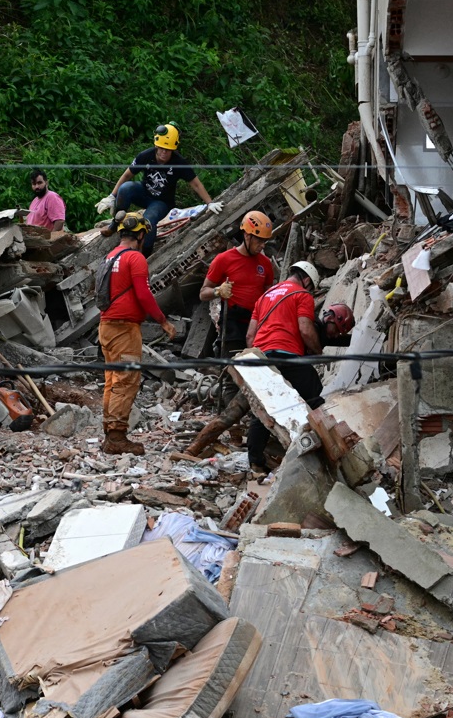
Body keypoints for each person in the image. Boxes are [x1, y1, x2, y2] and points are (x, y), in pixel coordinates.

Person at [243, 262, 356, 471]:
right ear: (306, 280)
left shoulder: (264, 297)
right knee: (316, 396)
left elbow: (250, 335)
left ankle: (255, 462)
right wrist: (317, 352)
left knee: (266, 409)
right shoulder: (302, 295)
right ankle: (334, 451)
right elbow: (305, 329)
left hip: (261, 356)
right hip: (287, 354)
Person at [98, 213, 177, 455]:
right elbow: (144, 294)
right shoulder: (135, 258)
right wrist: (163, 321)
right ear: (141, 234)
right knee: (126, 380)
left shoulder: (110, 256)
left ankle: (110, 432)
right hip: (124, 329)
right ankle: (116, 438)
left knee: (112, 379)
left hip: (107, 327)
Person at [95, 124, 222, 255]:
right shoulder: (146, 156)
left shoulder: (179, 163)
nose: (164, 152)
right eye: (161, 148)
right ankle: (114, 225)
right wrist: (112, 196)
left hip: (162, 202)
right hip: (144, 191)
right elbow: (127, 175)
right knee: (126, 188)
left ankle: (146, 253)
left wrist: (210, 203)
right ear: (156, 146)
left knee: (148, 221)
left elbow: (196, 184)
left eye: (168, 150)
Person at [200, 210, 277, 361]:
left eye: (265, 241)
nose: (262, 245)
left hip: (256, 322)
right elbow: (203, 293)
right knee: (233, 364)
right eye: (259, 241)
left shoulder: (265, 264)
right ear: (247, 235)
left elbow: (269, 293)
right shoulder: (223, 260)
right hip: (232, 321)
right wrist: (218, 291)